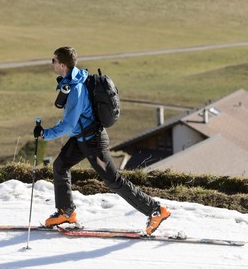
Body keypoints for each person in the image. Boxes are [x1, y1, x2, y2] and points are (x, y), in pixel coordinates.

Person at [33, 46, 170, 235]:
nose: (52, 63)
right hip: (81, 138)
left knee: (113, 180)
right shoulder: (73, 79)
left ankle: (155, 210)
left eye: (54, 60)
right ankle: (66, 212)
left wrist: (45, 134)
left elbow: (68, 123)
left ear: (62, 64)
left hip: (93, 142)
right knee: (60, 165)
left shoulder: (76, 88)